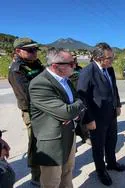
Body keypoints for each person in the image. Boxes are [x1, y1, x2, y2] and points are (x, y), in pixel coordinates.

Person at [29, 49, 86, 187]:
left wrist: (74, 109)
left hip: (69, 134)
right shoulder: (40, 83)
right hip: (52, 142)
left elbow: (76, 101)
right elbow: (66, 112)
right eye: (71, 63)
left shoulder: (65, 80)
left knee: (67, 174)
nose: (75, 65)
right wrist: (76, 107)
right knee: (51, 182)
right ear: (55, 66)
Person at [77, 42, 125, 186]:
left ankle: (111, 163)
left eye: (112, 57)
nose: (112, 60)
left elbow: (113, 88)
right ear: (98, 58)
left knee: (112, 140)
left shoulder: (109, 69)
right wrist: (88, 119)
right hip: (96, 118)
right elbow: (82, 98)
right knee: (98, 146)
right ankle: (101, 171)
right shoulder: (87, 72)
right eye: (109, 58)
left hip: (110, 114)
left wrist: (117, 104)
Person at [8, 37, 44, 185]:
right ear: (18, 51)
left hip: (44, 106)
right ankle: (36, 176)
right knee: (36, 142)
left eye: (35, 49)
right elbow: (27, 96)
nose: (34, 53)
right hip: (32, 110)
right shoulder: (17, 70)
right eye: (30, 50)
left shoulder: (36, 63)